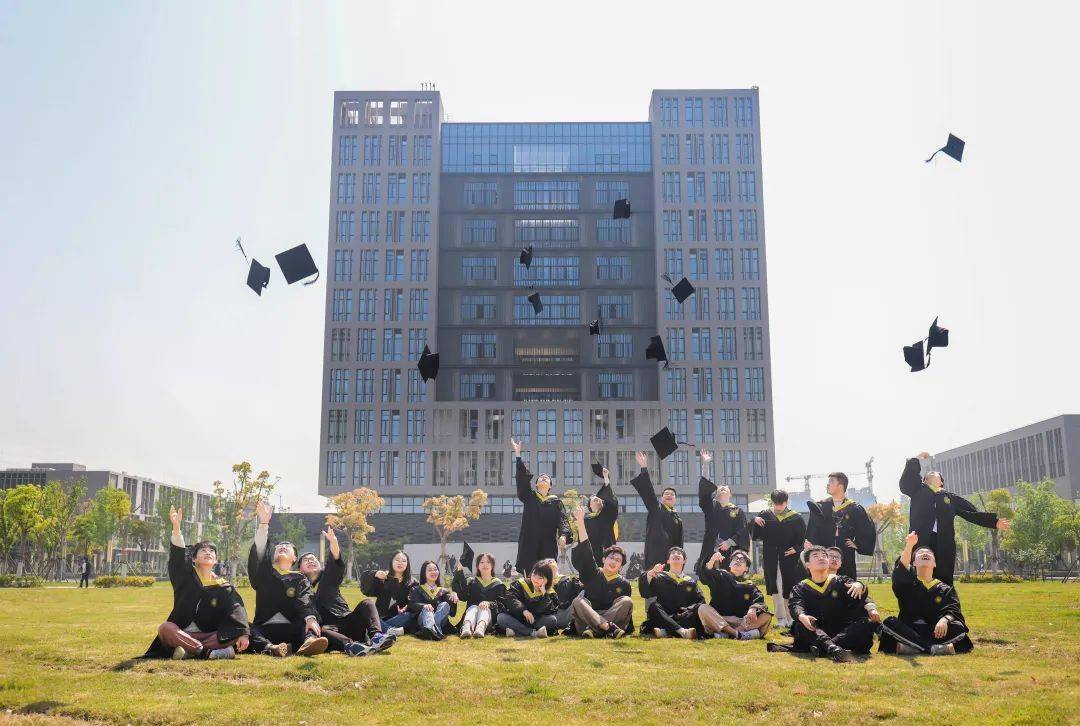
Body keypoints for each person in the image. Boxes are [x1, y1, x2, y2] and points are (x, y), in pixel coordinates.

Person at [144, 506, 249, 660]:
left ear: (216, 560)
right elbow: (177, 560)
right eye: (203, 550)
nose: (208, 552)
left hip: (210, 635)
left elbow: (237, 610)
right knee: (165, 628)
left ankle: (189, 651)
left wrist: (244, 634)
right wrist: (176, 529)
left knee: (239, 629)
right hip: (182, 633)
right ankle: (207, 653)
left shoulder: (224, 586)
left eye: (212, 551)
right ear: (193, 558)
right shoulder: (185, 577)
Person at [900, 452, 1011, 585]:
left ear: (941, 482)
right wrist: (915, 460)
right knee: (919, 577)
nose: (931, 473)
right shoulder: (918, 490)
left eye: (935, 474)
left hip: (944, 543)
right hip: (921, 541)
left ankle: (945, 601)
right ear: (923, 480)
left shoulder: (950, 498)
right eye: (927, 475)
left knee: (943, 579)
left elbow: (971, 513)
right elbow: (906, 482)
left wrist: (994, 522)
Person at [769, 545, 880, 663]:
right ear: (807, 564)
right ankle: (832, 648)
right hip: (815, 629)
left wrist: (860, 585)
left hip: (840, 630)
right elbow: (795, 605)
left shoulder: (840, 581)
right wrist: (802, 616)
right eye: (816, 556)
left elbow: (858, 592)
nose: (821, 558)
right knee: (800, 625)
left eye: (824, 556)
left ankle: (825, 647)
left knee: (866, 624)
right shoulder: (800, 587)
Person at [298, 527, 396, 656]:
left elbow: (335, 562)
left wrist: (333, 543)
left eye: (313, 559)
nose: (311, 560)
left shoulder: (328, 577)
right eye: (306, 560)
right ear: (300, 570)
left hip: (348, 621)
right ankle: (351, 646)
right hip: (331, 631)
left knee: (367, 603)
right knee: (319, 629)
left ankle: (376, 637)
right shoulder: (301, 588)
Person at [247, 501, 327, 657]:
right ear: (273, 554)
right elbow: (259, 553)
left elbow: (305, 598)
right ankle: (272, 648)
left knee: (310, 620)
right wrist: (264, 524)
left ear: (294, 557)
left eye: (287, 546)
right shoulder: (264, 573)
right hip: (265, 627)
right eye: (279, 546)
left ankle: (309, 643)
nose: (282, 546)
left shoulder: (299, 578)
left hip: (292, 627)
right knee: (246, 628)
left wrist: (310, 618)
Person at [878, 531, 974, 655]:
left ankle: (914, 648)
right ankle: (931, 649)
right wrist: (910, 545)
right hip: (909, 630)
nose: (925, 553)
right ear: (913, 563)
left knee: (958, 627)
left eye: (929, 553)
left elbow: (954, 609)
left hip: (936, 632)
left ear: (934, 563)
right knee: (889, 622)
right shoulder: (907, 583)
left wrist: (944, 620)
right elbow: (901, 568)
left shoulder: (945, 588)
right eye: (920, 553)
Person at [569, 506, 634, 638]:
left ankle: (595, 629)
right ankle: (605, 627)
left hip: (608, 619)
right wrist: (581, 522)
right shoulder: (592, 572)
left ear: (621, 567)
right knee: (578, 601)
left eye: (618, 560)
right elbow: (586, 549)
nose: (613, 561)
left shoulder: (624, 584)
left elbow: (621, 611)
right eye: (611, 557)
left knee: (627, 601)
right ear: (603, 559)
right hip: (588, 616)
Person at [511, 437, 572, 575]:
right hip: (529, 543)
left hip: (548, 545)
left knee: (546, 574)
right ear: (536, 484)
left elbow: (563, 520)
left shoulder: (556, 502)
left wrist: (563, 535)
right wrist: (518, 455)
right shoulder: (529, 497)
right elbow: (522, 481)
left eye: (547, 478)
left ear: (550, 485)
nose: (543, 477)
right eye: (540, 477)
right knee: (529, 575)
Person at [804, 472, 876, 579]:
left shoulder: (854, 509)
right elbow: (812, 530)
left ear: (841, 485)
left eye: (831, 481)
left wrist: (857, 544)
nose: (828, 484)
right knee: (823, 584)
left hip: (846, 554)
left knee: (847, 585)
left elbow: (867, 529)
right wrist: (810, 545)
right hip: (824, 553)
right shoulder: (820, 507)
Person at [750, 490, 806, 628]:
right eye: (776, 503)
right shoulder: (765, 515)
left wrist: (796, 549)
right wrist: (754, 521)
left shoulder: (796, 518)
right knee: (776, 587)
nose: (778, 507)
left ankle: (792, 618)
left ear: (787, 502)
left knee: (790, 588)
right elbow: (755, 536)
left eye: (781, 503)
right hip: (772, 558)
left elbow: (802, 539)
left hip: (789, 559)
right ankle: (781, 619)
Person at [698, 549, 772, 640]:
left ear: (746, 568)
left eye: (742, 560)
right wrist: (712, 560)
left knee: (766, 616)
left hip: (741, 622)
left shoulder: (750, 585)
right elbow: (706, 575)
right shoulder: (721, 575)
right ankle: (738, 634)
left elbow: (760, 600)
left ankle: (728, 634)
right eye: (735, 559)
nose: (738, 560)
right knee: (703, 608)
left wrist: (753, 608)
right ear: (730, 564)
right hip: (720, 619)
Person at [695, 450, 750, 572]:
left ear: (730, 494)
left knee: (728, 575)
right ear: (716, 494)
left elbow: (742, 530)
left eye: (726, 488)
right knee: (709, 574)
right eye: (720, 488)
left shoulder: (737, 511)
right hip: (711, 546)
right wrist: (705, 465)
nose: (723, 489)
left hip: (729, 549)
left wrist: (729, 542)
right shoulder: (711, 506)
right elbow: (704, 492)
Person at [629, 450, 683, 568]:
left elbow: (680, 542)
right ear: (662, 498)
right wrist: (644, 467)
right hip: (655, 554)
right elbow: (649, 493)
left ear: (675, 499)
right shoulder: (656, 508)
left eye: (672, 494)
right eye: (666, 494)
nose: (669, 495)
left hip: (671, 558)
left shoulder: (677, 518)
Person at [638, 547, 703, 639]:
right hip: (663, 615)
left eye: (679, 553)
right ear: (668, 561)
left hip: (683, 617)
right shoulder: (659, 577)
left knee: (699, 608)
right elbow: (645, 592)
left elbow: (700, 601)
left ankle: (666, 631)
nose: (676, 554)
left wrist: (686, 611)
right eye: (673, 553)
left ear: (684, 561)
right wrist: (651, 573)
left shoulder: (691, 582)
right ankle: (682, 632)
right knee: (653, 606)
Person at [497, 562, 560, 637]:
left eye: (540, 577)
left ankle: (517, 631)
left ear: (547, 579)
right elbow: (511, 597)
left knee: (552, 620)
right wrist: (524, 610)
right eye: (534, 574)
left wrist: (544, 594)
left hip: (536, 621)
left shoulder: (550, 592)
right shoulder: (521, 584)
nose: (535, 579)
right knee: (501, 617)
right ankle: (532, 633)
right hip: (518, 619)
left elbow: (549, 611)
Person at [452, 551, 506, 639]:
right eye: (482, 562)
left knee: (484, 608)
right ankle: (466, 628)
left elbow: (502, 604)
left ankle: (480, 629)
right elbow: (463, 597)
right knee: (473, 607)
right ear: (477, 566)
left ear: (492, 566)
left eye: (488, 562)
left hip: (488, 619)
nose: (485, 564)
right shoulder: (472, 582)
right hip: (472, 615)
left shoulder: (498, 584)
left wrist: (489, 604)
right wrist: (459, 571)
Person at [408, 560, 458, 640]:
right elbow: (411, 605)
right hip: (423, 621)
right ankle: (434, 629)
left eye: (435, 569)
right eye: (430, 570)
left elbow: (452, 613)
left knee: (445, 604)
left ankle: (433, 629)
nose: (433, 572)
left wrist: (453, 597)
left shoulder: (444, 591)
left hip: (442, 622)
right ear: (424, 573)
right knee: (427, 609)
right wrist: (424, 606)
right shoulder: (416, 589)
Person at [584, 467, 619, 565]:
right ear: (590, 506)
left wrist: (606, 477)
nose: (597, 499)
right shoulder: (586, 520)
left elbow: (611, 499)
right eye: (594, 499)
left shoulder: (607, 515)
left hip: (607, 554)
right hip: (591, 557)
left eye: (599, 499)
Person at [537, 557, 583, 633]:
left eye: (553, 569)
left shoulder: (570, 580)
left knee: (583, 594)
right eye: (549, 569)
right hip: (554, 617)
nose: (552, 571)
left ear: (557, 568)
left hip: (570, 614)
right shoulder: (542, 585)